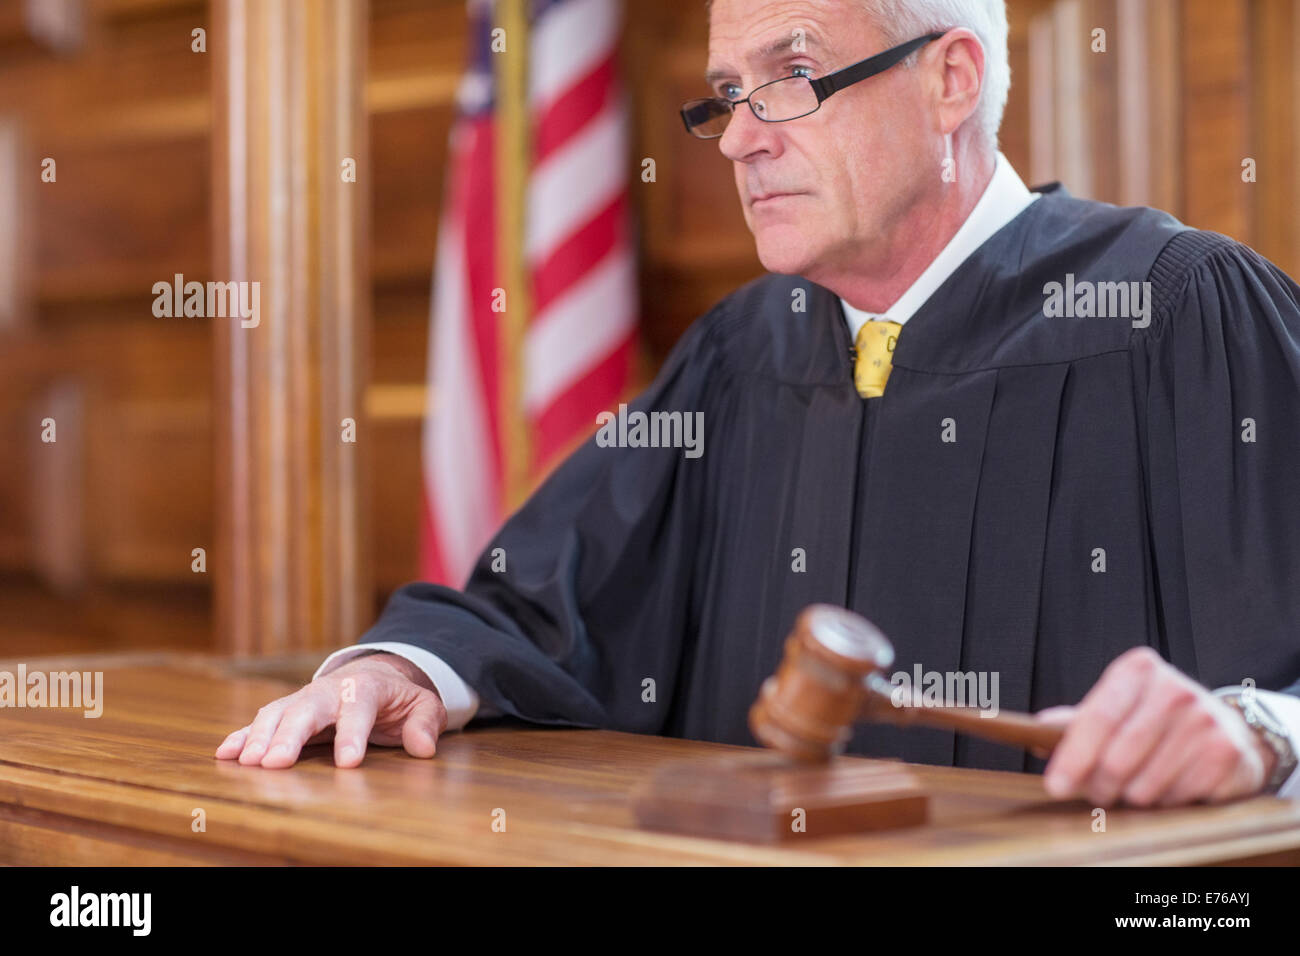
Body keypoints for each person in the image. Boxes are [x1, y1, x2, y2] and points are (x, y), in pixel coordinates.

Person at [218, 0, 1300, 808]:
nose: (738, 136)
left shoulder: (1177, 312)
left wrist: (1264, 731)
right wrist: (402, 667)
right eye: (726, 93)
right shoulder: (744, 352)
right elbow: (551, 603)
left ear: (951, 80)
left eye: (789, 76)